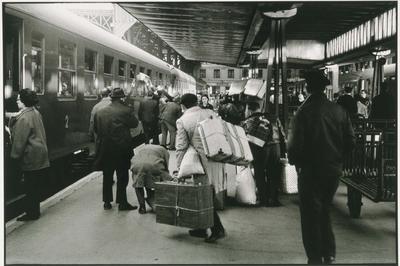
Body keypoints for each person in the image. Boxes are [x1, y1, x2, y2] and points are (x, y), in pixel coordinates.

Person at [288, 70, 355, 264]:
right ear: (325, 88)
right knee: (325, 209)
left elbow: (295, 146)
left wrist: (296, 163)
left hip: (310, 171)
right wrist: (336, 158)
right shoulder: (339, 110)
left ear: (308, 87)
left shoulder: (303, 112)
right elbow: (350, 142)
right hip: (333, 170)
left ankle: (315, 257)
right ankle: (329, 253)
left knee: (310, 214)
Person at [176, 93, 226, 243]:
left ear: (183, 106)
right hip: (218, 157)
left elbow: (181, 147)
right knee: (206, 193)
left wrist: (179, 169)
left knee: (204, 196)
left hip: (201, 163)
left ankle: (217, 229)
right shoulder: (210, 112)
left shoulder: (183, 120)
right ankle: (200, 227)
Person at [93, 87, 139, 211]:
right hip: (122, 148)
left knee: (107, 175)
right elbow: (135, 124)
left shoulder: (100, 112)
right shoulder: (126, 110)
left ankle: (107, 202)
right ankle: (122, 203)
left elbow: (96, 129)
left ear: (111, 98)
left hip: (106, 148)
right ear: (122, 98)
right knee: (122, 175)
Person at [10, 88, 50, 221]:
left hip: (31, 157)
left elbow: (19, 142)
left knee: (30, 187)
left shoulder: (23, 118)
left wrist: (14, 157)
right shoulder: (35, 112)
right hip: (40, 154)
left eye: (18, 99)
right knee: (35, 186)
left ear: (23, 101)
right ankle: (35, 211)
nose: (16, 102)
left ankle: (32, 214)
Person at [243, 102, 286, 207]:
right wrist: (283, 151)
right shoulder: (273, 118)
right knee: (273, 173)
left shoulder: (249, 120)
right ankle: (274, 199)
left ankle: (264, 199)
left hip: (260, 149)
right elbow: (282, 135)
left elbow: (245, 138)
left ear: (249, 109)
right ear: (259, 108)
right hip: (276, 147)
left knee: (260, 173)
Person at [131, 144, 172, 214]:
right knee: (160, 176)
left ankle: (142, 207)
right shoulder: (164, 150)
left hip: (136, 164)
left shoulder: (146, 147)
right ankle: (157, 199)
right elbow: (165, 166)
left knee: (138, 183)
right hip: (153, 165)